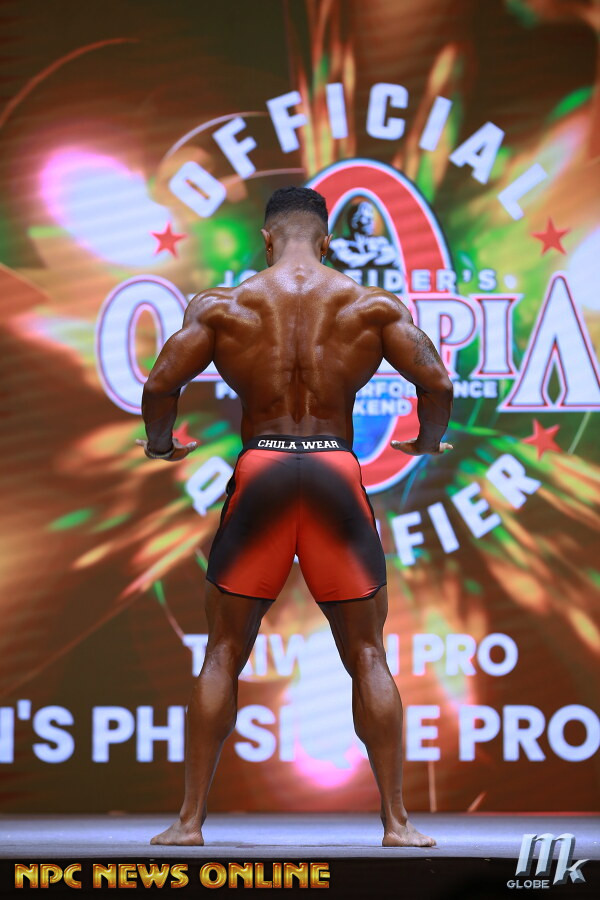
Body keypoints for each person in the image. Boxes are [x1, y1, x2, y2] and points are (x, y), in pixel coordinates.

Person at [136, 186, 453, 847]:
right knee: (368, 652)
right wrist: (426, 442)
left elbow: (161, 383)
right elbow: (438, 383)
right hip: (334, 469)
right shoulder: (370, 306)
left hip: (264, 470)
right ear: (327, 241)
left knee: (223, 650)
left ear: (267, 238)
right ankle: (397, 824)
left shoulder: (225, 306)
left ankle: (189, 823)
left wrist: (161, 444)